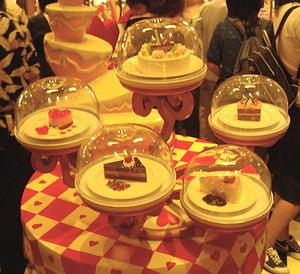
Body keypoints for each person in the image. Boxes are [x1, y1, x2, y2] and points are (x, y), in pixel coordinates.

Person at [0, 0, 40, 272]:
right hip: (9, 125)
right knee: (12, 200)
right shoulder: (10, 26)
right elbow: (32, 75)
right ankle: (13, 262)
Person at [264, 1, 300, 273]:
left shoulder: (285, 11)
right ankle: (262, 247)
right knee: (296, 189)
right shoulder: (299, 16)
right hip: (297, 107)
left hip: (286, 104)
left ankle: (280, 239)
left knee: (285, 178)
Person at [206, 0, 273, 90]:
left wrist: (228, 77)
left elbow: (212, 65)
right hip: (260, 90)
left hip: (230, 90)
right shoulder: (268, 27)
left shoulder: (223, 27)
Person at [194, 0, 227, 142]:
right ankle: (219, 148)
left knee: (204, 111)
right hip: (220, 70)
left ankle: (205, 143)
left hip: (204, 68)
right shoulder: (228, 8)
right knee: (220, 114)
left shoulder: (204, 8)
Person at [27, 0, 57, 78]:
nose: (35, 4)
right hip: (62, 67)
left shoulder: (35, 21)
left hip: (43, 71)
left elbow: (28, 48)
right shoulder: (62, 19)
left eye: (37, 1)